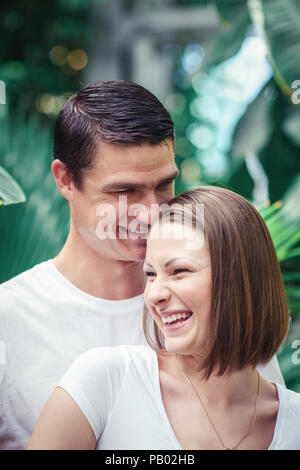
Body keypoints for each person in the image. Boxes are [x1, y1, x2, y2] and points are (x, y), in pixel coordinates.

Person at [0, 81, 284, 450]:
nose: (152, 212)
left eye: (164, 185)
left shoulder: (216, 303)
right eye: (125, 191)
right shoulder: (9, 319)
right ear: (66, 180)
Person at [27, 187, 300, 450]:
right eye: (150, 274)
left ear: (244, 280)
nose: (153, 295)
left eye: (179, 270)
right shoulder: (106, 382)